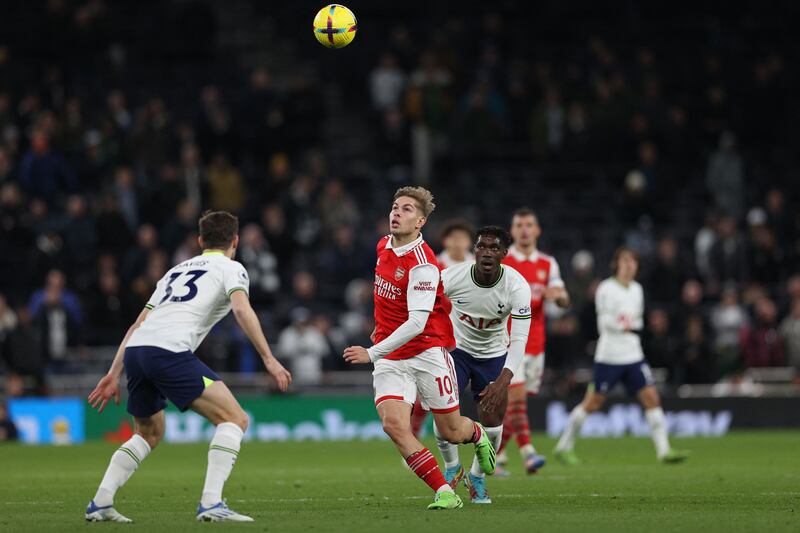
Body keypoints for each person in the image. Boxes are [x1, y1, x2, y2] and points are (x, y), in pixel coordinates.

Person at [84, 211, 291, 523]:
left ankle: (101, 502)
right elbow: (241, 309)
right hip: (168, 352)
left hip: (138, 351)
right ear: (235, 241)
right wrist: (269, 358)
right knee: (234, 418)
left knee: (149, 432)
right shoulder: (231, 268)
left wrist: (114, 373)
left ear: (199, 241)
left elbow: (138, 324)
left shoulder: (174, 271)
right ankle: (211, 502)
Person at [343, 186, 495, 511]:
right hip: (391, 358)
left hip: (426, 353)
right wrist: (379, 329)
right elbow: (386, 297)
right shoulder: (383, 246)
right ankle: (444, 491)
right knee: (394, 425)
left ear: (421, 221)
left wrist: (371, 352)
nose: (397, 213)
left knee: (452, 432)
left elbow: (416, 323)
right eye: (395, 207)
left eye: (407, 209)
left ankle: (478, 433)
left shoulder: (424, 265)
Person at [553, 247, 688, 465]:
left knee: (652, 398)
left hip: (633, 355)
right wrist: (624, 323)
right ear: (616, 264)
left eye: (632, 261)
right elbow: (604, 323)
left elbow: (638, 322)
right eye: (624, 260)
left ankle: (664, 451)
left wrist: (629, 324)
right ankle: (563, 446)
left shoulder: (637, 289)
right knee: (593, 403)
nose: (628, 265)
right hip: (610, 356)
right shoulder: (606, 288)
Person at [435, 226, 531, 503]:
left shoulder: (517, 286)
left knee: (492, 425)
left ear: (504, 253)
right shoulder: (452, 276)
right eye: (482, 246)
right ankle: (452, 467)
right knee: (443, 413)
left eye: (494, 248)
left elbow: (520, 338)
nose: (487, 252)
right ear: (474, 250)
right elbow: (423, 303)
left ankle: (476, 477)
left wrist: (503, 381)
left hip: (493, 356)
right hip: (457, 351)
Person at [497, 208, 569, 475]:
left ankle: (495, 455)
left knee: (514, 410)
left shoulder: (548, 264)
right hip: (510, 343)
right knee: (517, 402)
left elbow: (564, 298)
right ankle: (528, 453)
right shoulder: (504, 263)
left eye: (529, 224)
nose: (524, 229)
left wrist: (557, 296)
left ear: (537, 230)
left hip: (536, 345)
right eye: (519, 225)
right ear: (512, 231)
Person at [410, 218, 474, 436]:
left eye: (462, 237)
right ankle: (416, 430)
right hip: (440, 338)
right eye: (453, 237)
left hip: (472, 338)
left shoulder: (478, 266)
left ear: (469, 242)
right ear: (445, 241)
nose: (457, 242)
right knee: (433, 391)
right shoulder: (433, 265)